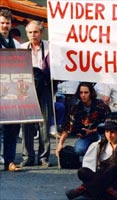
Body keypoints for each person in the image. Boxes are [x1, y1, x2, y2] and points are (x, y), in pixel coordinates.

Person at [65, 113, 117, 200]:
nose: (109, 135)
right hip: (103, 179)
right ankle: (109, 191)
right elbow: (88, 164)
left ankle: (83, 189)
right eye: (107, 131)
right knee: (82, 171)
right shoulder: (99, 145)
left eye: (112, 132)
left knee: (112, 167)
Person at [19, 20, 52, 167]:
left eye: (36, 32)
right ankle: (27, 156)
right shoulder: (22, 48)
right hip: (26, 89)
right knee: (26, 124)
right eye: (30, 32)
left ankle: (44, 157)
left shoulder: (49, 47)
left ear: (41, 32)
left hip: (44, 87)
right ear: (27, 34)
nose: (33, 35)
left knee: (44, 123)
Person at [56, 82, 111, 158]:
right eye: (81, 92)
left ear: (91, 93)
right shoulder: (75, 107)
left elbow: (109, 123)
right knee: (79, 149)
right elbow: (68, 126)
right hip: (86, 136)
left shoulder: (101, 105)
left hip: (101, 134)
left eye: (86, 92)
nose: (83, 95)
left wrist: (93, 131)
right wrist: (60, 143)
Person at [0, 9, 22, 172]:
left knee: (13, 128)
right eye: (1, 23)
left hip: (12, 90)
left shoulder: (17, 44)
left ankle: (9, 161)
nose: (5, 25)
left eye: (7, 23)